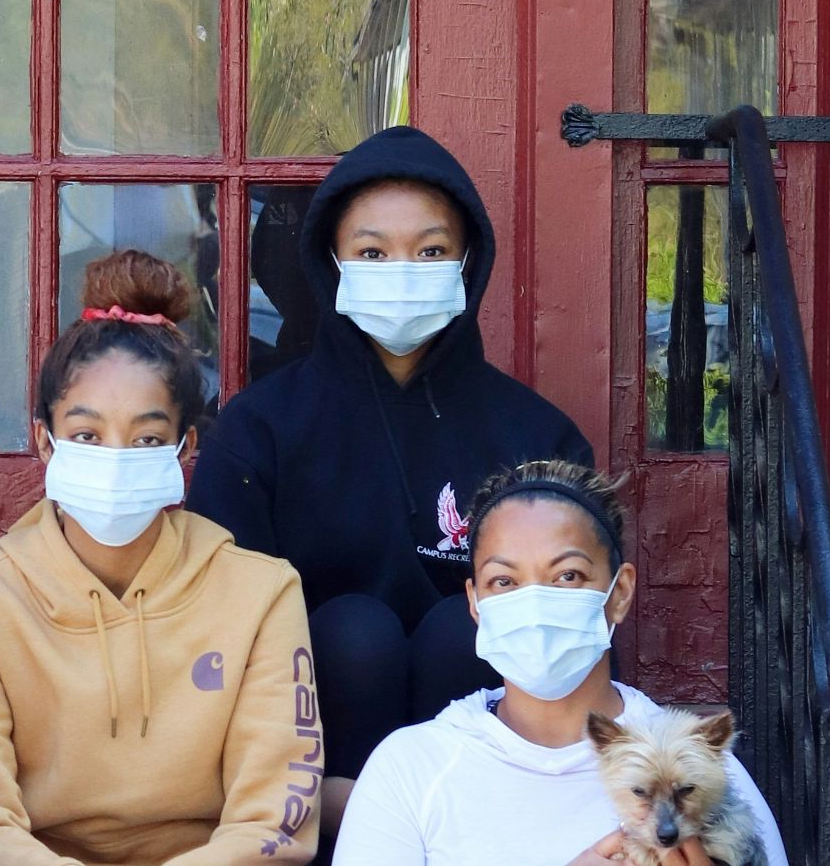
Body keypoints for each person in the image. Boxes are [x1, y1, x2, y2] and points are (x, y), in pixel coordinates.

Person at [187, 125, 594, 826]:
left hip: (494, 798)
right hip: (316, 791)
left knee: (459, 632)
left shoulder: (539, 439)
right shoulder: (260, 430)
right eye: (372, 251)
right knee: (354, 632)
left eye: (431, 250)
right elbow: (220, 633)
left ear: (468, 261)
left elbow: (581, 630)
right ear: (331, 263)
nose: (402, 268)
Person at [0, 251, 322, 864]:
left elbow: (274, 819)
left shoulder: (261, 593)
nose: (115, 455)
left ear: (186, 447)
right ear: (43, 441)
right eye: (86, 435)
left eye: (147, 438)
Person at [332, 461, 787, 865]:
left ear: (620, 592)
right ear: (475, 603)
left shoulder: (705, 774)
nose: (534, 603)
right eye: (504, 580)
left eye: (567, 576)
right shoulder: (410, 769)